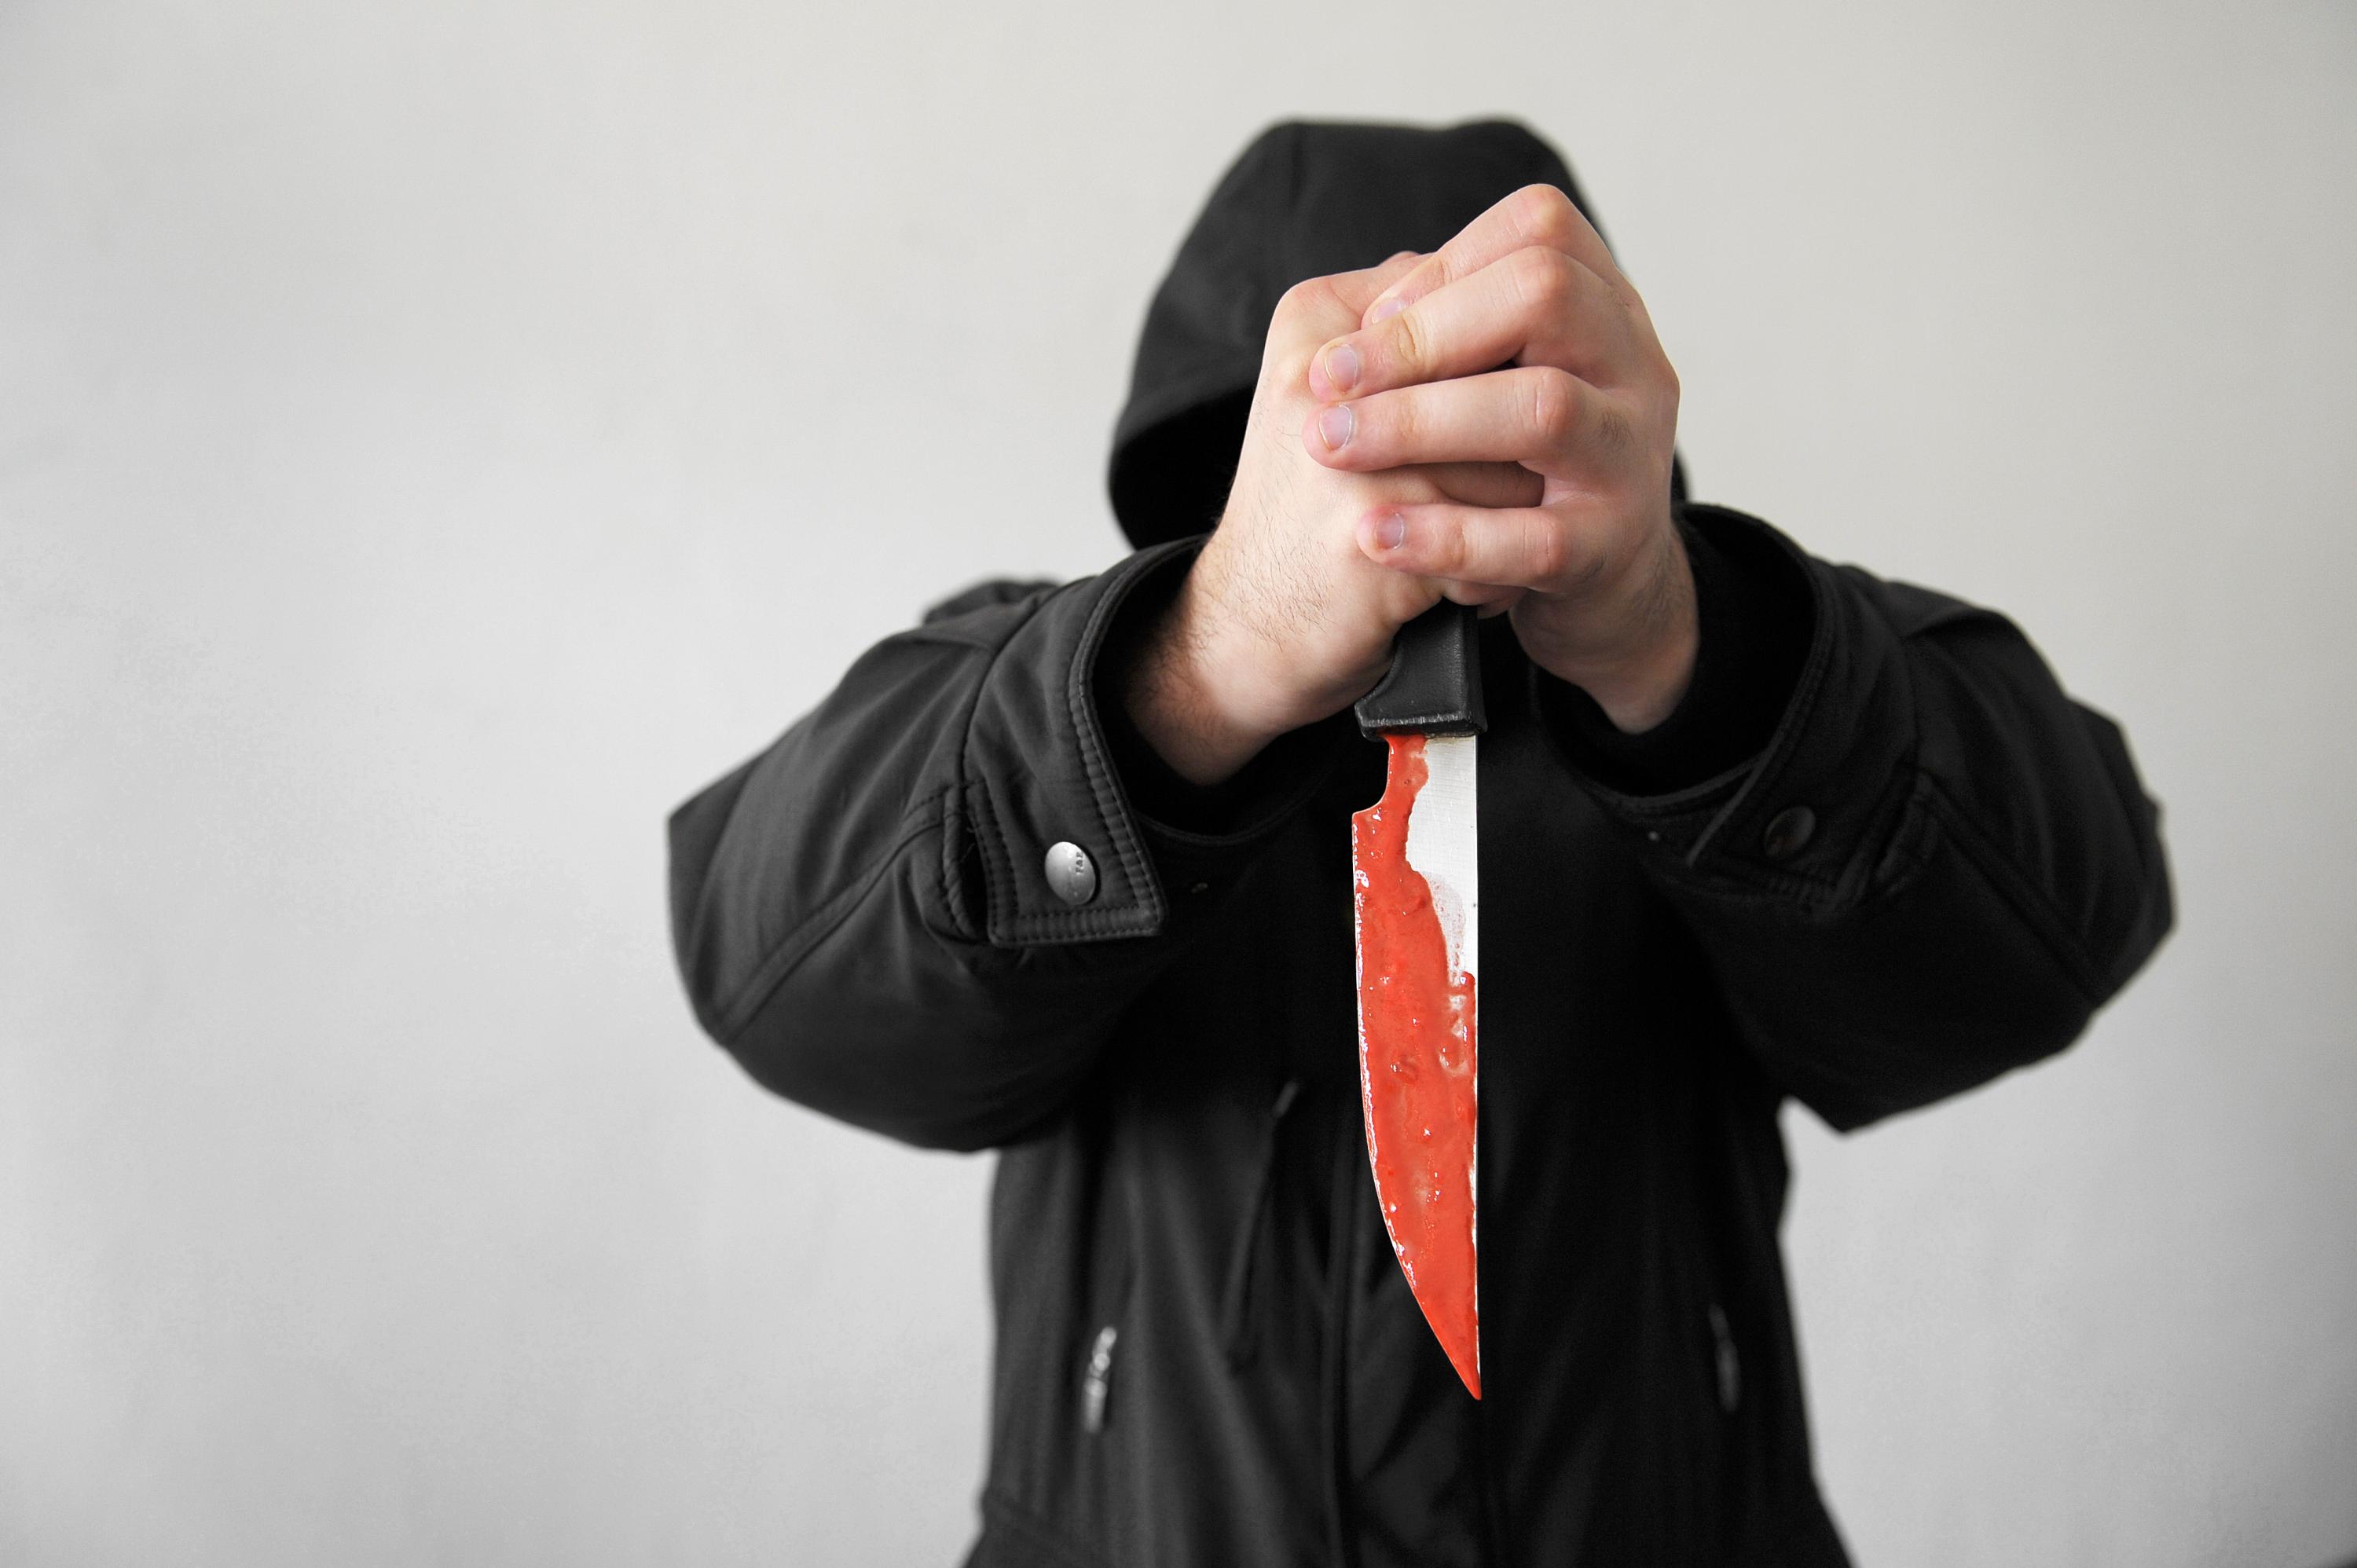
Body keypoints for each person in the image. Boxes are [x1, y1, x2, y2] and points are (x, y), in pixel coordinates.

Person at [665, 119, 2173, 1566]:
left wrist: (1696, 657)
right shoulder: (1048, 701)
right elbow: (766, 970)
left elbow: (2060, 928)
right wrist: (1194, 670)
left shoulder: (1727, 706)